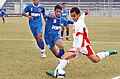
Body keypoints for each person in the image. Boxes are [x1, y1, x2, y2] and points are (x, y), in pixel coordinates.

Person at [46, 7, 118, 78]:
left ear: (78, 15)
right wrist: (84, 13)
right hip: (77, 47)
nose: (73, 18)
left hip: (84, 46)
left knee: (95, 59)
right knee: (64, 57)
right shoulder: (79, 19)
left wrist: (78, 47)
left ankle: (107, 52)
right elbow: (82, 17)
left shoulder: (79, 24)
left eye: (74, 16)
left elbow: (81, 36)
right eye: (72, 16)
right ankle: (56, 72)